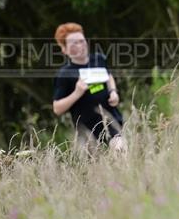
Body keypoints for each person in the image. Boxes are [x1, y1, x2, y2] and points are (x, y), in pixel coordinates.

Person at [52, 22, 126, 151]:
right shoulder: (65, 74)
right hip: (87, 131)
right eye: (74, 43)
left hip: (110, 120)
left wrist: (113, 92)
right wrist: (77, 92)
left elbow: (108, 76)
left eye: (81, 41)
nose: (80, 45)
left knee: (120, 150)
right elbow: (57, 108)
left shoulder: (98, 59)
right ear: (64, 49)